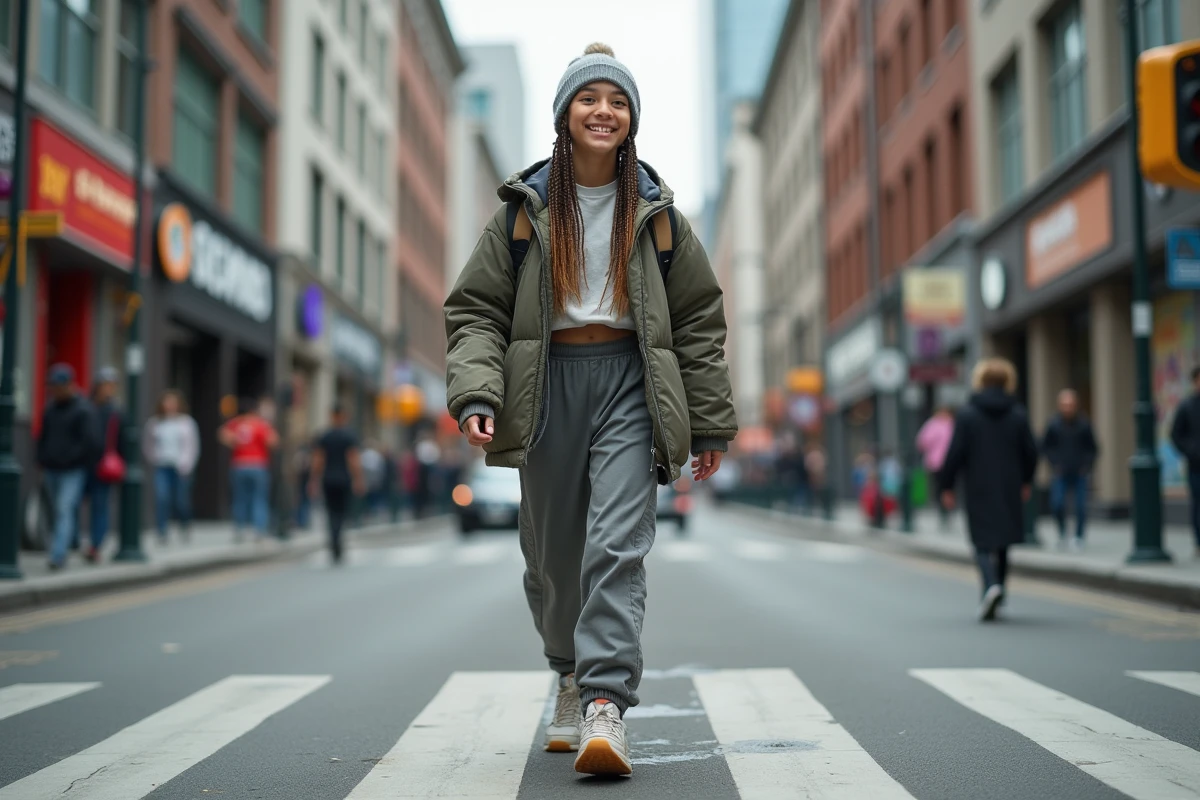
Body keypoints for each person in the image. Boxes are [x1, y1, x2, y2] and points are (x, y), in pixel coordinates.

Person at [444, 43, 737, 778]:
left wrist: (708, 420)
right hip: (545, 385)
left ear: (631, 118)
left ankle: (605, 701)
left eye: (617, 101)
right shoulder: (525, 210)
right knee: (553, 555)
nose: (604, 111)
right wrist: (479, 390)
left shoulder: (660, 213)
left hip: (630, 386)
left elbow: (697, 320)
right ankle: (569, 673)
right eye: (588, 99)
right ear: (565, 116)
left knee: (617, 542)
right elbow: (476, 308)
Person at [938, 359, 1038, 622]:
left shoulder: (968, 414)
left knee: (982, 542)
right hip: (1009, 485)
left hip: (978, 485)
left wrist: (946, 485)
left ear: (980, 382)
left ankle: (990, 585)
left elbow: (955, 453)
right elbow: (1031, 451)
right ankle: (999, 588)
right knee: (1003, 541)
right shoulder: (1017, 413)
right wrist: (1026, 480)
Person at [37, 364, 98, 570]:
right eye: (53, 386)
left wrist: (73, 459)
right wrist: (42, 459)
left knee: (64, 508)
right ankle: (71, 542)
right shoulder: (50, 409)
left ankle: (58, 555)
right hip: (51, 469)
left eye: (59, 385)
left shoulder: (83, 409)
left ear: (70, 385)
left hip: (73, 470)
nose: (55, 390)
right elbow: (42, 437)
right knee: (57, 510)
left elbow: (89, 442)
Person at [1041, 389, 1099, 550]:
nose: (1068, 408)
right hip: (1060, 472)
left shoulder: (1084, 424)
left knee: (1080, 507)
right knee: (1057, 504)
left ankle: (1079, 537)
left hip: (1079, 472)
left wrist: (1086, 466)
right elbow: (1046, 446)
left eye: (1070, 404)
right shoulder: (1053, 424)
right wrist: (1054, 464)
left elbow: (1093, 448)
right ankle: (1062, 534)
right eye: (1064, 404)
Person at [308, 406, 364, 563]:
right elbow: (353, 460)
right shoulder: (349, 436)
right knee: (341, 512)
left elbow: (318, 460)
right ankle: (337, 539)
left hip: (328, 479)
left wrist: (313, 480)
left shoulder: (325, 436)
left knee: (331, 512)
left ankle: (334, 538)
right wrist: (359, 479)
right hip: (344, 479)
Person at [142, 390, 200, 542]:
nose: (169, 405)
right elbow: (148, 445)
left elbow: (193, 446)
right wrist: (153, 459)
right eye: (166, 402)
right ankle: (162, 531)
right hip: (162, 465)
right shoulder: (155, 423)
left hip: (181, 467)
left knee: (181, 500)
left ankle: (185, 525)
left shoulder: (186, 422)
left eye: (173, 402)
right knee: (162, 498)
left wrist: (187, 464)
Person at [219, 398, 278, 540]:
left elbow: (222, 434)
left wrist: (235, 442)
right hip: (258, 464)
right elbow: (273, 441)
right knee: (259, 499)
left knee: (240, 498)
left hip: (239, 464)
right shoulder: (261, 424)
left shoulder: (236, 423)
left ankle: (239, 529)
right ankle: (259, 530)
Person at [83, 367, 124, 562]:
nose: (108, 389)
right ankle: (71, 541)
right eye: (105, 385)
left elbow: (123, 440)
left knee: (100, 507)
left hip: (103, 467)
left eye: (112, 386)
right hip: (81, 464)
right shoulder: (85, 407)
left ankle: (95, 546)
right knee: (70, 505)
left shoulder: (117, 411)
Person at [1170, 365, 1200, 557]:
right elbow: (1176, 435)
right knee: (1198, 505)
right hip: (1196, 466)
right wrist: (1191, 451)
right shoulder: (1186, 406)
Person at [916, 407, 956, 529]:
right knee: (940, 488)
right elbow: (922, 442)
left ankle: (947, 511)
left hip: (951, 461)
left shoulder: (953, 424)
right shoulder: (933, 424)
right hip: (937, 462)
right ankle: (943, 513)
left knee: (948, 488)